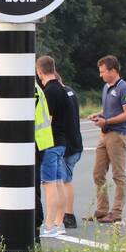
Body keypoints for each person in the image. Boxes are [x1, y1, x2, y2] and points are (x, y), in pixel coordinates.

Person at [88, 55, 126, 224]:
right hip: (104, 133)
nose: (101, 75)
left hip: (117, 134)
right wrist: (100, 115)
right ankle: (102, 209)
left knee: (118, 174)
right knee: (98, 173)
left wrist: (106, 121)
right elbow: (109, 109)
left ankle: (116, 212)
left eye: (103, 71)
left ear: (113, 71)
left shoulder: (124, 88)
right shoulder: (106, 87)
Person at [37, 56, 73, 237]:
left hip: (49, 143)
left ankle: (49, 225)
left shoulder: (48, 91)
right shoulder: (61, 88)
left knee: (49, 184)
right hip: (61, 141)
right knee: (58, 183)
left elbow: (47, 119)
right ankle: (60, 222)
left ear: (39, 70)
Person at [56, 72, 83, 229]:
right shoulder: (71, 92)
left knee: (65, 181)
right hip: (75, 142)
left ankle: (68, 215)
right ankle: (68, 214)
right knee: (67, 180)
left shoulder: (59, 95)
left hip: (66, 144)